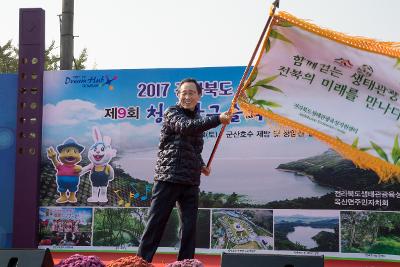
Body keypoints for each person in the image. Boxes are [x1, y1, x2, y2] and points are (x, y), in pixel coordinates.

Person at [137, 78, 232, 262]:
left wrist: (201, 164)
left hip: (190, 180)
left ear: (199, 96)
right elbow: (186, 128)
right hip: (168, 176)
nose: (187, 96)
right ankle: (141, 262)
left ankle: (186, 264)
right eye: (184, 93)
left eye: (192, 93)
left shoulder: (198, 119)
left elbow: (194, 149)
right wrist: (217, 119)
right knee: (156, 224)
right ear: (178, 95)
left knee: (189, 228)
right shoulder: (171, 113)